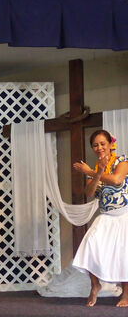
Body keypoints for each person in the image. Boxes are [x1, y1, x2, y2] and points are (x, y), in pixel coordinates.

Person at [73, 130, 128, 307]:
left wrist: (88, 171)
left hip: (124, 214)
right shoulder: (96, 169)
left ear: (111, 144)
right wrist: (95, 173)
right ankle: (95, 284)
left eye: (103, 143)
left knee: (124, 255)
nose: (99, 148)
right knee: (91, 244)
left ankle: (126, 295)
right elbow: (89, 193)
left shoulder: (123, 161)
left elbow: (117, 180)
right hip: (106, 216)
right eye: (95, 145)